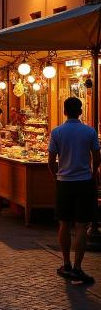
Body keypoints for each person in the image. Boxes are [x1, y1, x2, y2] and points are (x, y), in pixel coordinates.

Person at [48, 97, 100, 284]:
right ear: (80, 111)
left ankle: (66, 263)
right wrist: (93, 173)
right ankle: (78, 267)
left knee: (64, 223)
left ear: (64, 111)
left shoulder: (57, 132)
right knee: (81, 225)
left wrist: (56, 176)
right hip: (84, 181)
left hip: (64, 182)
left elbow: (51, 159)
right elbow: (97, 156)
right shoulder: (89, 132)